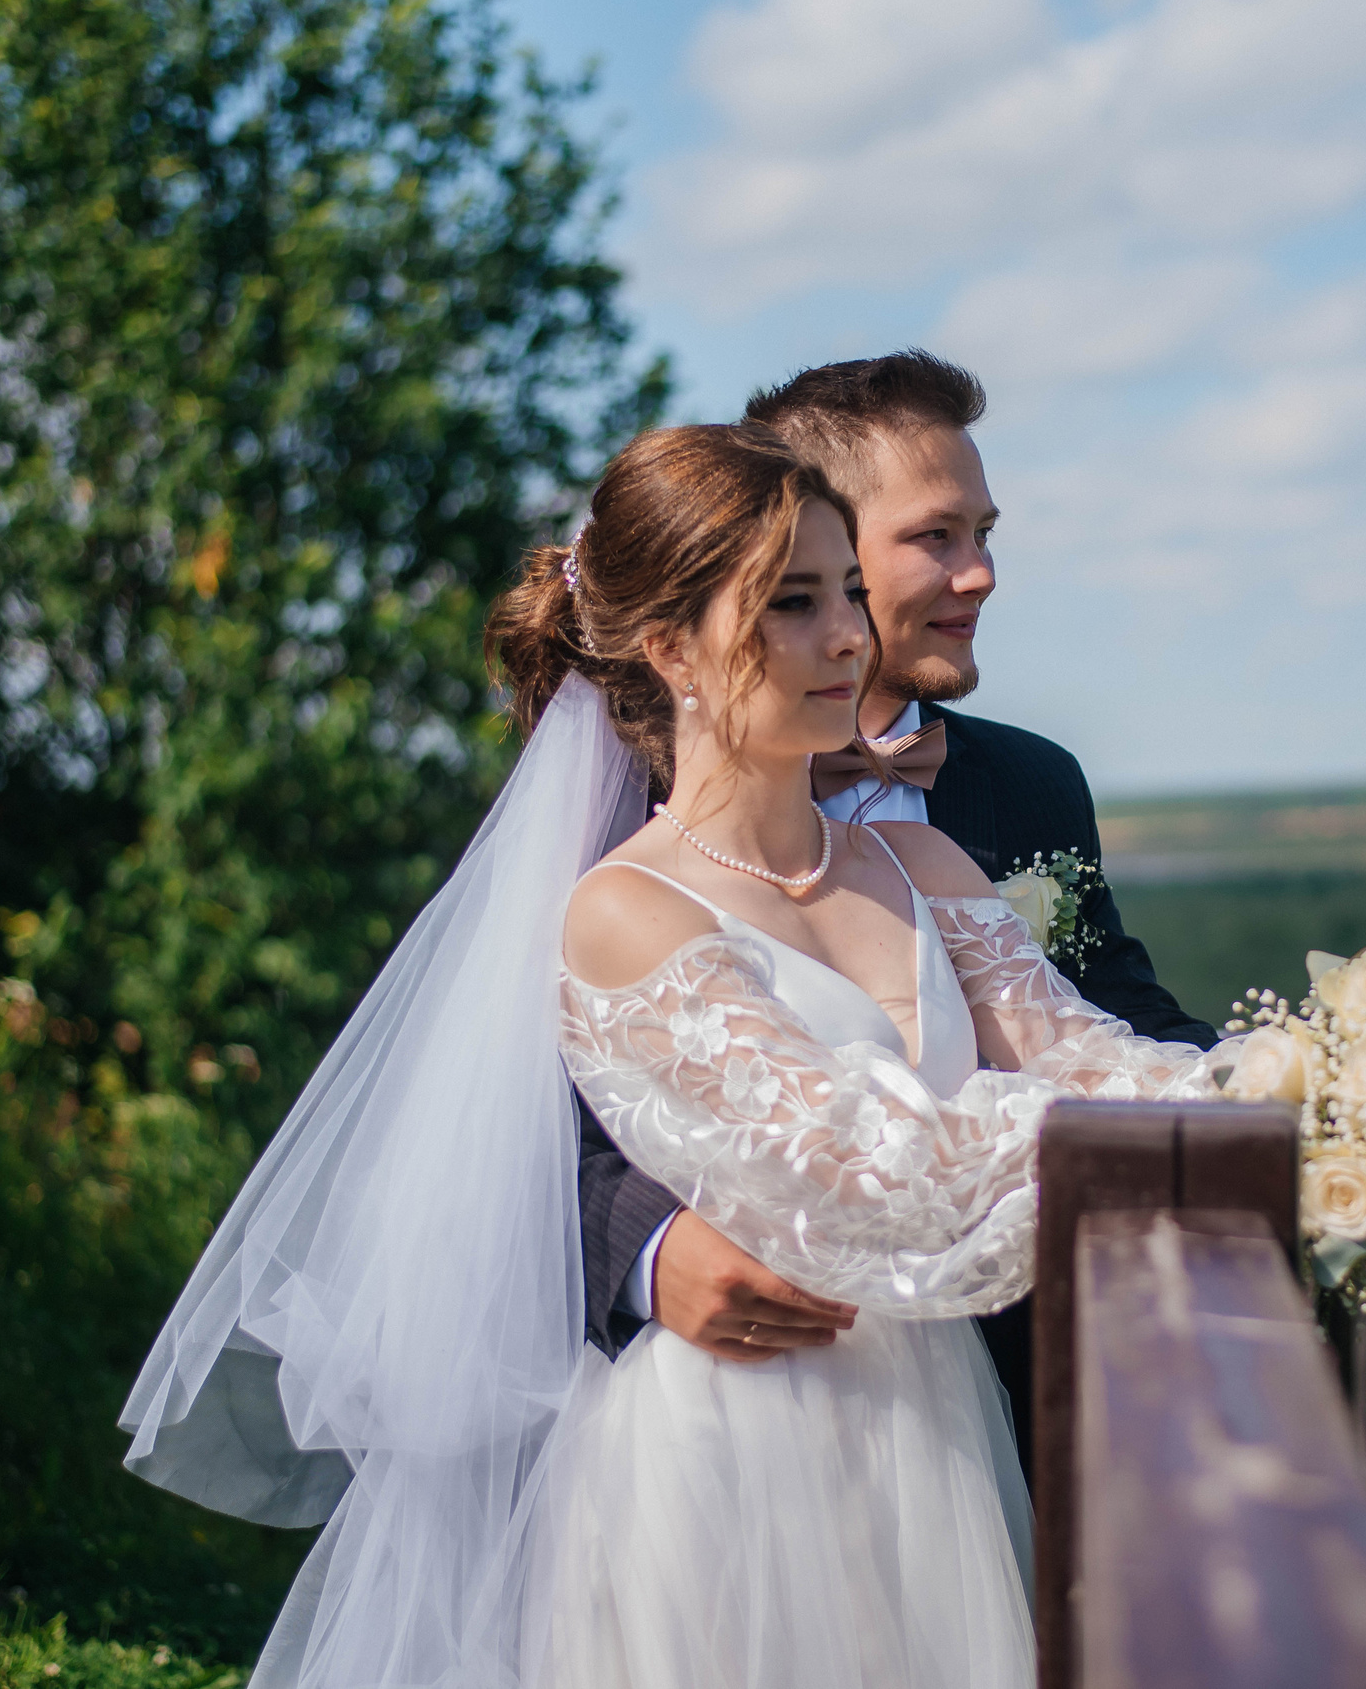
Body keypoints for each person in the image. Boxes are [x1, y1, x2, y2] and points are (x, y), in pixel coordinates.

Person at [120, 420, 1228, 1688]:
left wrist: (1336, 1074)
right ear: (669, 650)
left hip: (937, 1432)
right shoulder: (624, 910)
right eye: (792, 604)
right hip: (736, 1452)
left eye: (849, 595)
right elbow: (872, 1177)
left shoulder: (927, 865)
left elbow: (1098, 1059)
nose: (849, 639)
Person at [576, 354, 1214, 1488]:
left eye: (986, 532)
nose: (979, 575)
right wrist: (648, 1251)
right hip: (739, 1411)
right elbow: (506, 1122)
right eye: (935, 537)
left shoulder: (1016, 793)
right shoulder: (604, 815)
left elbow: (1121, 1031)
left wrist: (1338, 1080)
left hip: (991, 1408)